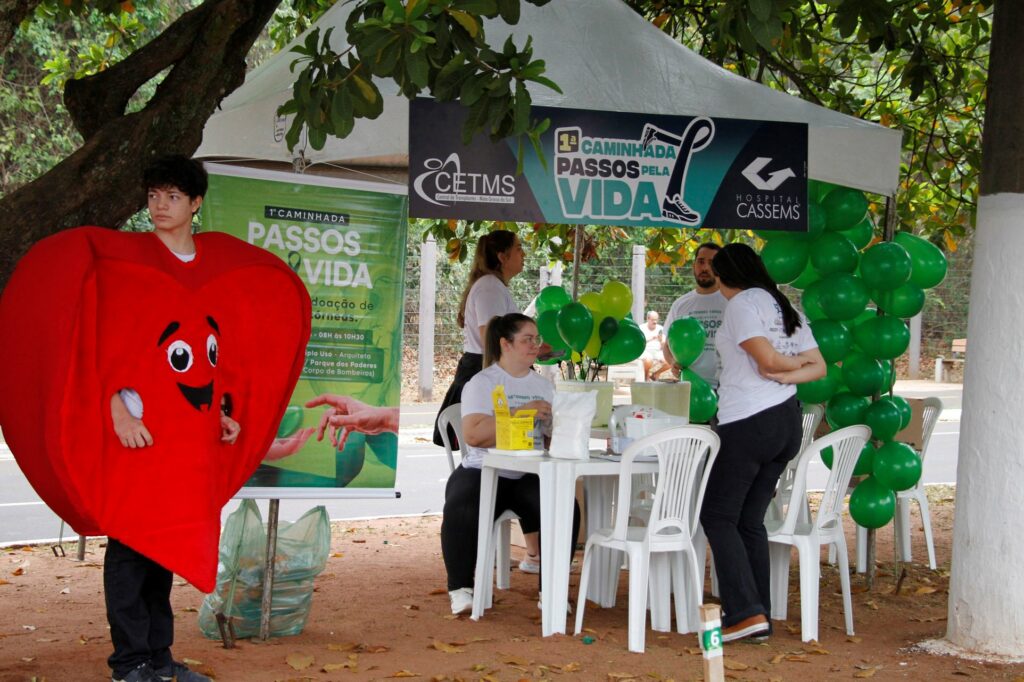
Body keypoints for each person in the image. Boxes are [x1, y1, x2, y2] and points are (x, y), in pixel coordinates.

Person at [105, 157, 231, 682]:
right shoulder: (129, 261)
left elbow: (223, 349)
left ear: (195, 203)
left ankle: (159, 658)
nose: (160, 205)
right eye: (154, 194)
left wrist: (225, 413)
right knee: (131, 546)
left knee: (166, 545)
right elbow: (101, 344)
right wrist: (115, 409)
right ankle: (129, 662)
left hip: (187, 437)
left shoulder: (209, 266)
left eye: (172, 196)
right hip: (137, 430)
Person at [698, 243, 825, 643]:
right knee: (748, 520)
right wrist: (795, 372)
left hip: (749, 421)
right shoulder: (784, 305)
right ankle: (758, 613)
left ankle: (745, 613)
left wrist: (784, 371)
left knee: (717, 516)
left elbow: (767, 362)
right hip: (785, 422)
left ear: (722, 275)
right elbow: (818, 366)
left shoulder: (741, 306)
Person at [440, 313, 580, 615]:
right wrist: (520, 412)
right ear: (505, 343)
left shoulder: (543, 386)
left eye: (536, 338)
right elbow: (474, 435)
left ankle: (552, 590)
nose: (535, 345)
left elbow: (551, 442)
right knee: (460, 502)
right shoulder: (482, 382)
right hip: (483, 469)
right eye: (527, 339)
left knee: (567, 506)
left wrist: (557, 426)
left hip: (527, 472)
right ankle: (461, 588)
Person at [431, 230, 543, 573]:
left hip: (495, 369)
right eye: (518, 249)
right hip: (483, 370)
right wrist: (533, 353)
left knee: (524, 463)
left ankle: (534, 554)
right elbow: (490, 337)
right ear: (501, 256)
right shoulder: (491, 288)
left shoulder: (494, 286)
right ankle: (486, 557)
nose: (523, 254)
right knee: (487, 458)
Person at [663, 242, 728, 387]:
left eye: (711, 263)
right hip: (690, 387)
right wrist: (673, 362)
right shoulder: (680, 305)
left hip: (727, 389)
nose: (705, 268)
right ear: (694, 265)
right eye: (701, 261)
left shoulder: (731, 301)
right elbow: (667, 345)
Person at [640, 310, 666, 381]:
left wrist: (661, 341)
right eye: (653, 320)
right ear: (648, 319)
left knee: (669, 361)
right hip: (645, 351)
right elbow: (639, 344)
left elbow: (664, 347)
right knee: (648, 360)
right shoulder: (641, 328)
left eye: (656, 320)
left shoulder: (661, 328)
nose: (655, 322)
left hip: (657, 351)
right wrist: (651, 339)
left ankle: (656, 374)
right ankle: (646, 376)